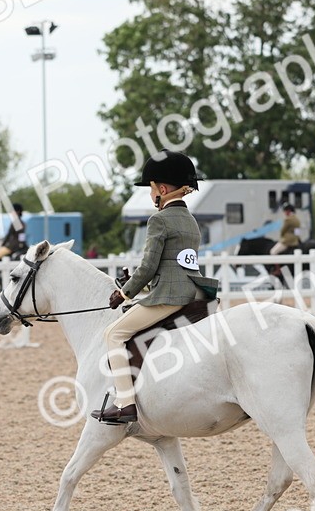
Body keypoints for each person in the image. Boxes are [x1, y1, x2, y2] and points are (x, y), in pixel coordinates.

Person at [90, 151, 220, 425]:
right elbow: (173, 266)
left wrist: (124, 293)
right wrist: (139, 283)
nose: (151, 195)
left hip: (172, 297)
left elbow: (149, 266)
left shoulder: (158, 220)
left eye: (151, 189)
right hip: (195, 290)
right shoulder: (190, 221)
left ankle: (125, 403)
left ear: (161, 189)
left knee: (113, 333)